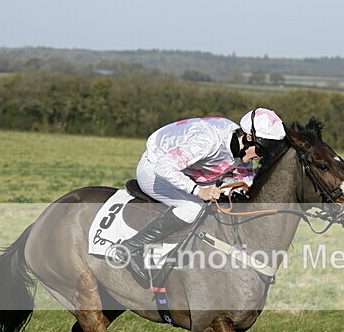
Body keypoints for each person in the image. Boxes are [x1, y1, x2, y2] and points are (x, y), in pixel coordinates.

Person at [119, 108, 287, 283]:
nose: (259, 157)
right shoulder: (206, 141)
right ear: (249, 137)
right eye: (260, 151)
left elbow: (245, 182)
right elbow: (164, 168)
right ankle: (131, 247)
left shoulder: (242, 147)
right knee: (193, 208)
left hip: (188, 172)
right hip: (155, 168)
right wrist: (198, 191)